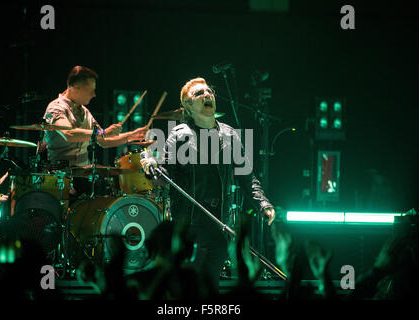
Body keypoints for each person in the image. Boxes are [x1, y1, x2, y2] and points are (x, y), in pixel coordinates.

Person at [141, 77, 275, 292]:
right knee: (189, 287)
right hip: (189, 226)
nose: (207, 95)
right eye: (198, 93)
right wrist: (151, 167)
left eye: (209, 91)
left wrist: (263, 204)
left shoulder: (230, 135)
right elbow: (164, 176)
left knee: (210, 286)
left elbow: (246, 176)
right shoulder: (179, 136)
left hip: (218, 224)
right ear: (188, 106)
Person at [43, 65, 147, 168]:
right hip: (59, 176)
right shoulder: (56, 108)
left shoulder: (85, 112)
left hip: (83, 175)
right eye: (90, 90)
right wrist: (103, 133)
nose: (94, 95)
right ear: (75, 87)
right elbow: (69, 133)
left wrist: (131, 136)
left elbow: (103, 140)